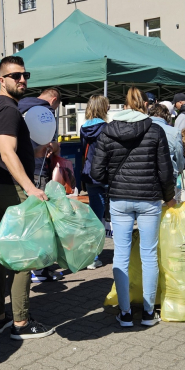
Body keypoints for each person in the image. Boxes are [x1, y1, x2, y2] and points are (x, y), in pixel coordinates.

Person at [0, 56, 55, 340]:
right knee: (23, 254)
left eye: (25, 74)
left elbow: (5, 151)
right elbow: (6, 152)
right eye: (15, 76)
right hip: (12, 189)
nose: (22, 80)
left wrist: (33, 153)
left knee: (0, 253)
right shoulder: (8, 109)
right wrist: (30, 187)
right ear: (2, 80)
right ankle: (21, 323)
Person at [91, 88, 175, 328]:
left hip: (119, 199)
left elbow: (96, 173)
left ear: (124, 105)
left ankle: (125, 313)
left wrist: (115, 179)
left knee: (121, 254)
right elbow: (165, 170)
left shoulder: (108, 130)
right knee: (149, 254)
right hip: (149, 199)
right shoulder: (155, 130)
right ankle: (149, 313)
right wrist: (169, 197)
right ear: (146, 105)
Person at [18, 87, 63, 283]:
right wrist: (53, 146)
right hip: (38, 170)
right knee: (42, 223)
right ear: (53, 100)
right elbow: (51, 143)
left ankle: (36, 267)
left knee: (30, 221)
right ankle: (40, 269)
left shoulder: (19, 107)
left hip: (21, 171)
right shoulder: (46, 113)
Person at [80, 95, 110, 270]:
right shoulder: (108, 128)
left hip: (91, 175)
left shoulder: (84, 128)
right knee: (118, 214)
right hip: (107, 174)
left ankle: (92, 257)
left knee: (95, 218)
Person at [149, 104, 185, 180]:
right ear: (167, 116)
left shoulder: (143, 129)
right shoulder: (174, 132)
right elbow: (179, 155)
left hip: (147, 175)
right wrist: (179, 170)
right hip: (169, 175)